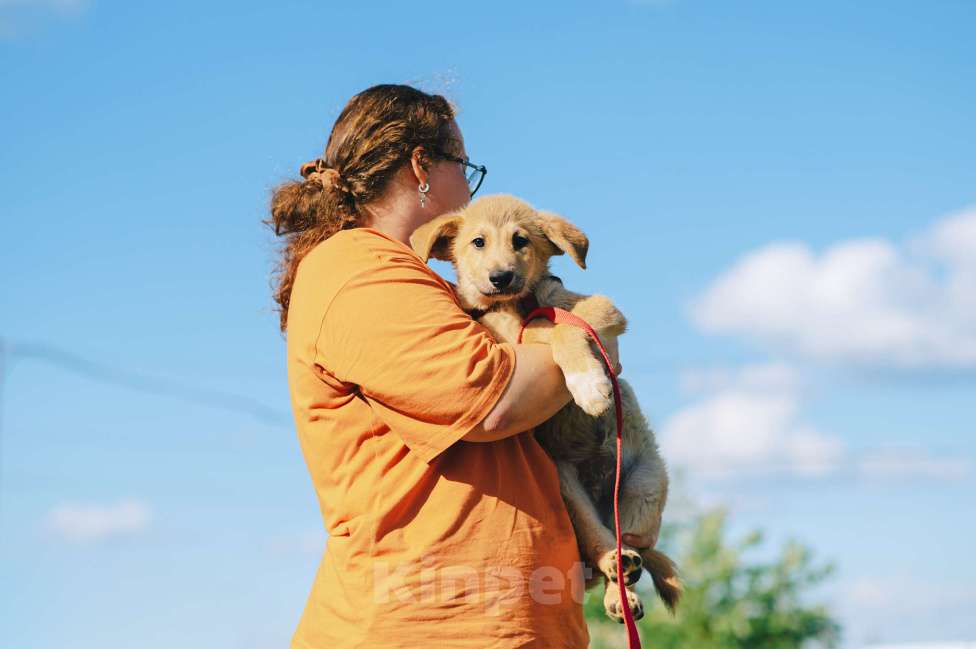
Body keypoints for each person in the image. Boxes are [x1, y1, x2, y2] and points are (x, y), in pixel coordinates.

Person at [267, 83, 651, 649]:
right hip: (427, 623)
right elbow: (494, 400)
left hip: (503, 618)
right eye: (464, 167)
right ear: (423, 166)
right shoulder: (358, 271)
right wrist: (587, 337)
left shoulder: (429, 285)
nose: (471, 191)